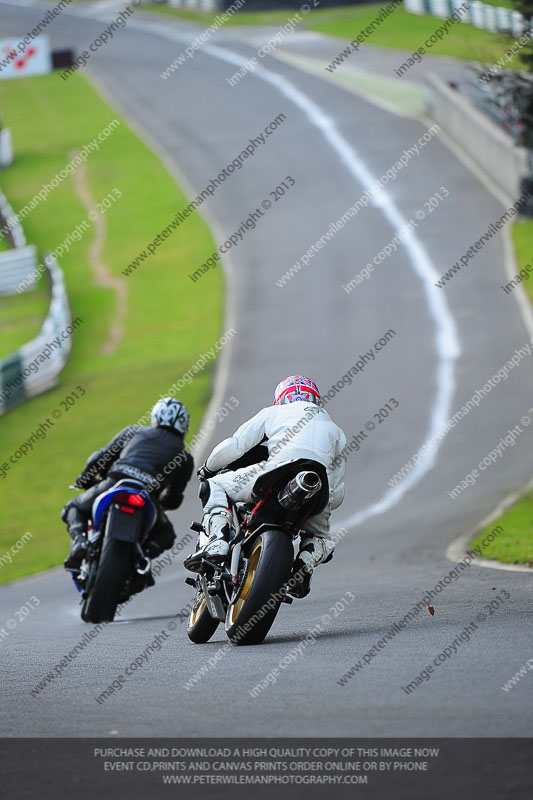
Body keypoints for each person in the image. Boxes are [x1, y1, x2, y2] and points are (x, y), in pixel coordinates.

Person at [184, 376, 346, 598]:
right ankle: (305, 564)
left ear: (280, 399)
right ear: (315, 400)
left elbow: (236, 445)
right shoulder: (335, 431)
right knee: (319, 536)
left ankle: (218, 541)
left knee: (215, 485)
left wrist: (208, 468)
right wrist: (324, 505)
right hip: (318, 485)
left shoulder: (273, 413)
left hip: (277, 472)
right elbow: (337, 492)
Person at [62, 397, 194, 570]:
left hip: (115, 481)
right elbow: (173, 499)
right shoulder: (185, 458)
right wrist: (159, 504)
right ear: (184, 426)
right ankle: (139, 561)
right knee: (166, 534)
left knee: (73, 507)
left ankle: (79, 542)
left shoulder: (133, 431)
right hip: (147, 494)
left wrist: (85, 480)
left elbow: (98, 458)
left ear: (155, 418)